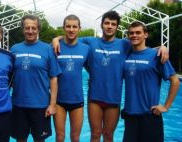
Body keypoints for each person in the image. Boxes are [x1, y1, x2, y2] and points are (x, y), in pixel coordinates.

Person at [52, 11, 169, 142]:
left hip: (113, 99)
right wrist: (55, 39)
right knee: (95, 134)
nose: (109, 26)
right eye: (106, 23)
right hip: (94, 98)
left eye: (113, 24)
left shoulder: (124, 44)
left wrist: (162, 47)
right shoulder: (90, 42)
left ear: (117, 27)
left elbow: (142, 47)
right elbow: (70, 36)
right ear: (102, 25)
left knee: (108, 135)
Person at [122, 21, 180, 142]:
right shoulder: (126, 55)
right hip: (130, 115)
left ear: (145, 35)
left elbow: (175, 80)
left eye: (138, 32)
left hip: (150, 115)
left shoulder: (157, 55)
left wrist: (165, 106)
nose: (134, 35)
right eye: (131, 33)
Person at [10, 15, 61, 142]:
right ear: (23, 29)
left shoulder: (47, 49)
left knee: (40, 139)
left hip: (40, 105)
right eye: (27, 28)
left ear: (38, 29)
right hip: (18, 104)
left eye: (34, 28)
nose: (30, 31)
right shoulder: (14, 49)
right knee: (20, 139)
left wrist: (53, 104)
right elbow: (8, 76)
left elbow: (53, 78)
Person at [53, 15, 90, 142]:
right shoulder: (54, 47)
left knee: (75, 137)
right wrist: (55, 39)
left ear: (79, 28)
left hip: (77, 99)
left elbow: (93, 69)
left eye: (75, 26)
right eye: (68, 26)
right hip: (58, 100)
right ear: (63, 28)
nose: (71, 29)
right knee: (59, 136)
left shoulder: (85, 49)